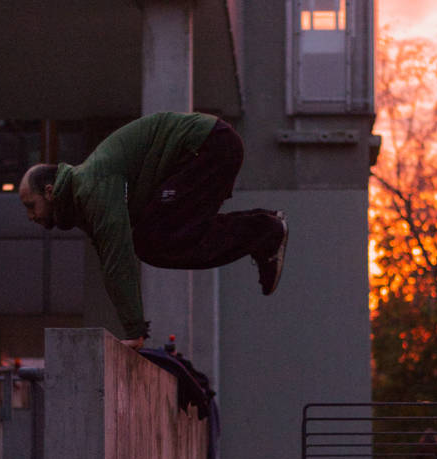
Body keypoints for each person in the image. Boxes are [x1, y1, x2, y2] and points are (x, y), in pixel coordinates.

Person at [18, 112, 289, 349]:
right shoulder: (83, 198)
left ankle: (265, 231)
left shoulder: (91, 186)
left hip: (207, 146)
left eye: (31, 206)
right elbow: (111, 261)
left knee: (152, 240)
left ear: (50, 192)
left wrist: (135, 331)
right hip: (207, 146)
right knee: (162, 238)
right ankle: (263, 229)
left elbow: (118, 260)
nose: (31, 217)